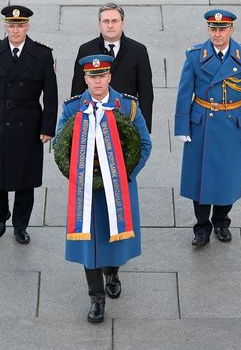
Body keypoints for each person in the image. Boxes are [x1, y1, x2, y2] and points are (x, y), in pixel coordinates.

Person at [57, 55, 152, 323]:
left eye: (102, 76)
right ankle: (96, 298)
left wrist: (124, 175)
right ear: (85, 79)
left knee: (115, 235)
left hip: (118, 187)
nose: (97, 81)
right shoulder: (73, 109)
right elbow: (61, 147)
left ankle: (112, 271)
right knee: (89, 240)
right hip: (86, 190)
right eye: (92, 77)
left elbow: (144, 144)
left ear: (109, 77)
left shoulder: (127, 107)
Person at [174, 10, 241, 247]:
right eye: (213, 29)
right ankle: (202, 227)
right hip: (202, 123)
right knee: (199, 179)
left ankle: (222, 222)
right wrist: (182, 126)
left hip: (232, 124)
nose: (217, 34)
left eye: (222, 29)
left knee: (227, 177)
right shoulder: (195, 56)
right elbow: (184, 94)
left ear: (231, 30)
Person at [0, 6, 58, 245]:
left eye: (20, 26)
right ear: (5, 26)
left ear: (27, 26)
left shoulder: (41, 54)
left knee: (25, 180)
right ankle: (2, 214)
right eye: (12, 25)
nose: (16, 30)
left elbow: (50, 95)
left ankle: (20, 225)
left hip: (29, 122)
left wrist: (47, 128)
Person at [71, 3, 154, 132]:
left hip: (127, 121)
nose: (110, 25)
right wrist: (76, 125)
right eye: (106, 21)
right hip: (93, 121)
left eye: (115, 21)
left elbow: (146, 93)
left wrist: (144, 128)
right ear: (99, 24)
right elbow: (77, 90)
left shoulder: (138, 51)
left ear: (122, 22)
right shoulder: (86, 50)